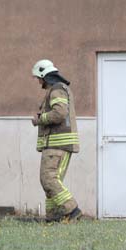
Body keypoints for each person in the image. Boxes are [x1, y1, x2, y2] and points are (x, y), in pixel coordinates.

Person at [31, 59, 83, 222]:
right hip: (58, 144)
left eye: (38, 78)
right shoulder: (59, 89)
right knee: (51, 182)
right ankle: (53, 217)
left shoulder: (56, 90)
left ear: (44, 76)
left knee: (48, 179)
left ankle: (72, 209)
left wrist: (40, 119)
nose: (38, 82)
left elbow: (60, 113)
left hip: (57, 144)